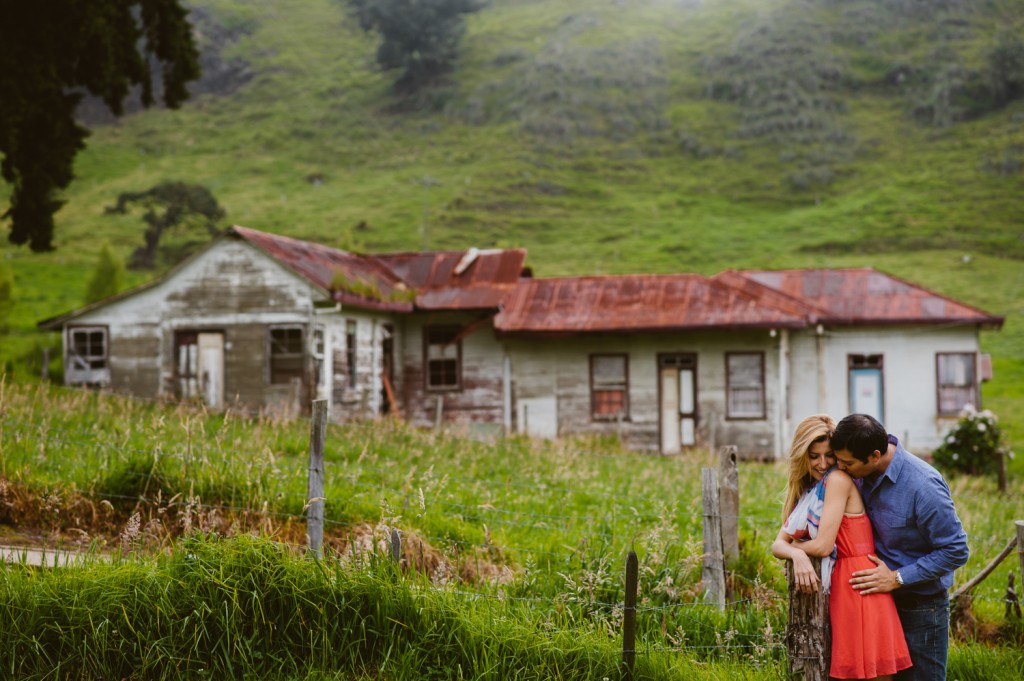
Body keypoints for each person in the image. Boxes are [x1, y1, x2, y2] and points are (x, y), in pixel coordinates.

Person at [772, 414, 912, 680]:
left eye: (829, 455)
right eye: (814, 456)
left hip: (859, 584)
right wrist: (796, 554)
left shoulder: (836, 480)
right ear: (802, 456)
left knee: (871, 674)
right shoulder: (812, 490)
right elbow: (778, 545)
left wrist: (797, 548)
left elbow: (824, 546)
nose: (823, 463)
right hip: (843, 585)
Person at [831, 413, 969, 681]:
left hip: (920, 607)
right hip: (876, 603)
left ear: (873, 456)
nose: (840, 467)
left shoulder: (923, 485)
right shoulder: (858, 471)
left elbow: (956, 549)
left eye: (846, 463)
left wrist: (897, 577)